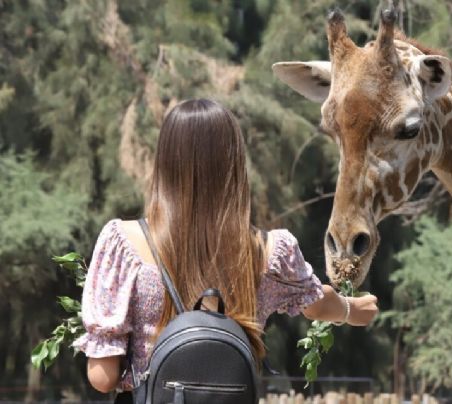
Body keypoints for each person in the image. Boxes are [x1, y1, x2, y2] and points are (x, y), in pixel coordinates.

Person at [72, 98, 379, 397]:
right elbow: (315, 302)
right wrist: (350, 309)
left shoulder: (123, 244)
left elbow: (103, 377)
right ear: (234, 163)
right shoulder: (270, 251)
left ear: (165, 162)